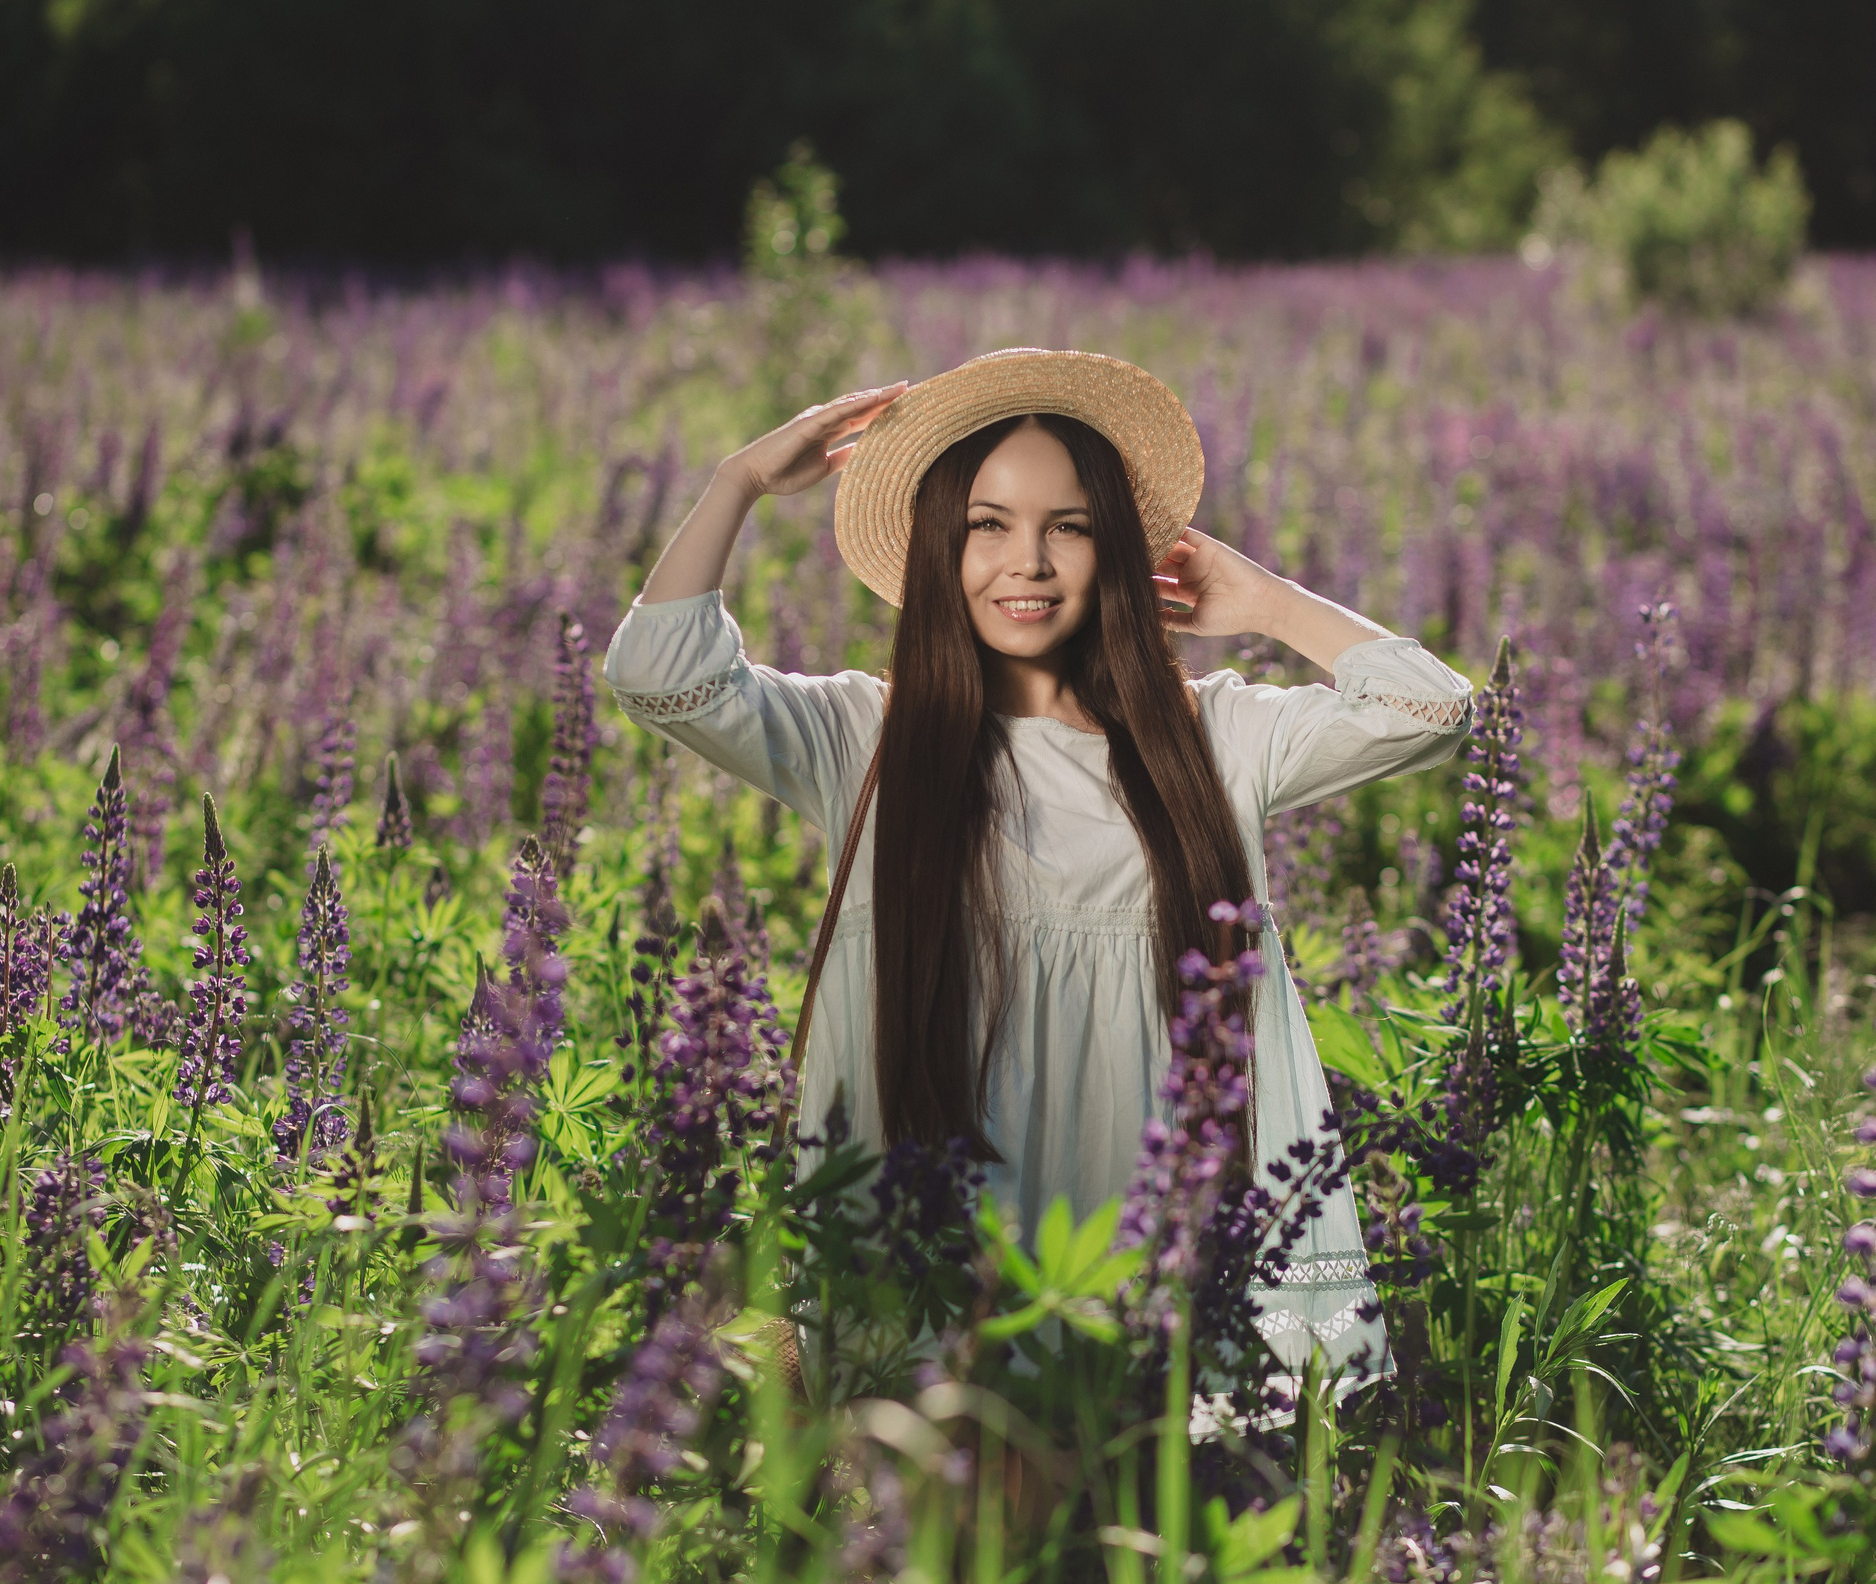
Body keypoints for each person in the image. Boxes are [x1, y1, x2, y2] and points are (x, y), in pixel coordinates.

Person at [606, 348, 1474, 1381]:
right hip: (933, 1246)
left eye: (1069, 527)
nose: (1029, 561)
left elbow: (1434, 712)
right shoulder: (865, 740)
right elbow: (659, 679)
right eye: (988, 525)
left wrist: (1269, 603)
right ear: (941, 547)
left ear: (1113, 553)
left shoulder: (1211, 741)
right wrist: (736, 482)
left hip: (1142, 1264)